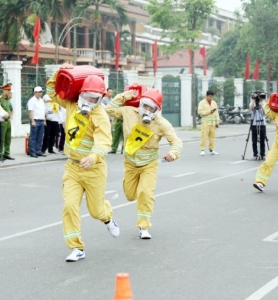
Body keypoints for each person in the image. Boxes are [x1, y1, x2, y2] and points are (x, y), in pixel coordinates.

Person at [46, 64, 120, 262]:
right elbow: (52, 91)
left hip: (94, 169)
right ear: (81, 93)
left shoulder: (100, 115)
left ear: (100, 99)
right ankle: (77, 247)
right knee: (70, 205)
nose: (89, 101)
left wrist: (94, 156)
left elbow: (104, 141)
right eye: (87, 96)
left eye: (94, 99)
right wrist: (59, 73)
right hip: (72, 167)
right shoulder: (71, 104)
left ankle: (108, 217)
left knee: (96, 211)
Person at [106, 88, 182, 239]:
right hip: (130, 163)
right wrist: (124, 96)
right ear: (140, 104)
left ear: (157, 109)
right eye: (145, 106)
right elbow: (109, 109)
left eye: (151, 108)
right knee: (130, 195)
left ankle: (144, 226)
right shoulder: (128, 112)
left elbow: (176, 141)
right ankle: (131, 188)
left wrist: (173, 153)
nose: (147, 110)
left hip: (149, 164)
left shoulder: (161, 123)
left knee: (145, 193)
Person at [198, 90, 220, 156]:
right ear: (206, 96)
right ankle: (202, 150)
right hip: (205, 122)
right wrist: (209, 112)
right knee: (204, 136)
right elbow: (200, 112)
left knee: (212, 137)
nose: (211, 98)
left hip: (213, 123)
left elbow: (216, 113)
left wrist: (217, 121)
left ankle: (211, 149)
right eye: (210, 96)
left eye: (212, 97)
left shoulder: (214, 103)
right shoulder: (202, 103)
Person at [27, 86, 46, 158]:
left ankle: (38, 151)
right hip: (35, 120)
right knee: (33, 137)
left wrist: (44, 120)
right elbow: (31, 111)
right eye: (39, 92)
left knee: (40, 137)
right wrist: (32, 121)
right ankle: (32, 151)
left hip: (41, 120)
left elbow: (43, 111)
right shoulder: (32, 100)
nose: (40, 93)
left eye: (41, 92)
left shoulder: (41, 100)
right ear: (35, 92)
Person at [0, 83, 15, 160]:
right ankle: (0, 154)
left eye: (10, 90)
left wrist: (11, 117)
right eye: (8, 90)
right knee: (2, 139)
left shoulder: (8, 100)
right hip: (2, 122)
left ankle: (7, 153)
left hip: (8, 122)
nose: (9, 91)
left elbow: (11, 109)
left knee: (8, 138)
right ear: (3, 90)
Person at [249, 91, 267, 160]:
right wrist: (253, 99)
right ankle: (255, 155)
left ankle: (263, 154)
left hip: (262, 124)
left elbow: (265, 113)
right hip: (254, 124)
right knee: (254, 140)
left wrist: (261, 105)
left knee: (262, 140)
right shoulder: (252, 102)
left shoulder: (264, 103)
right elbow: (250, 109)